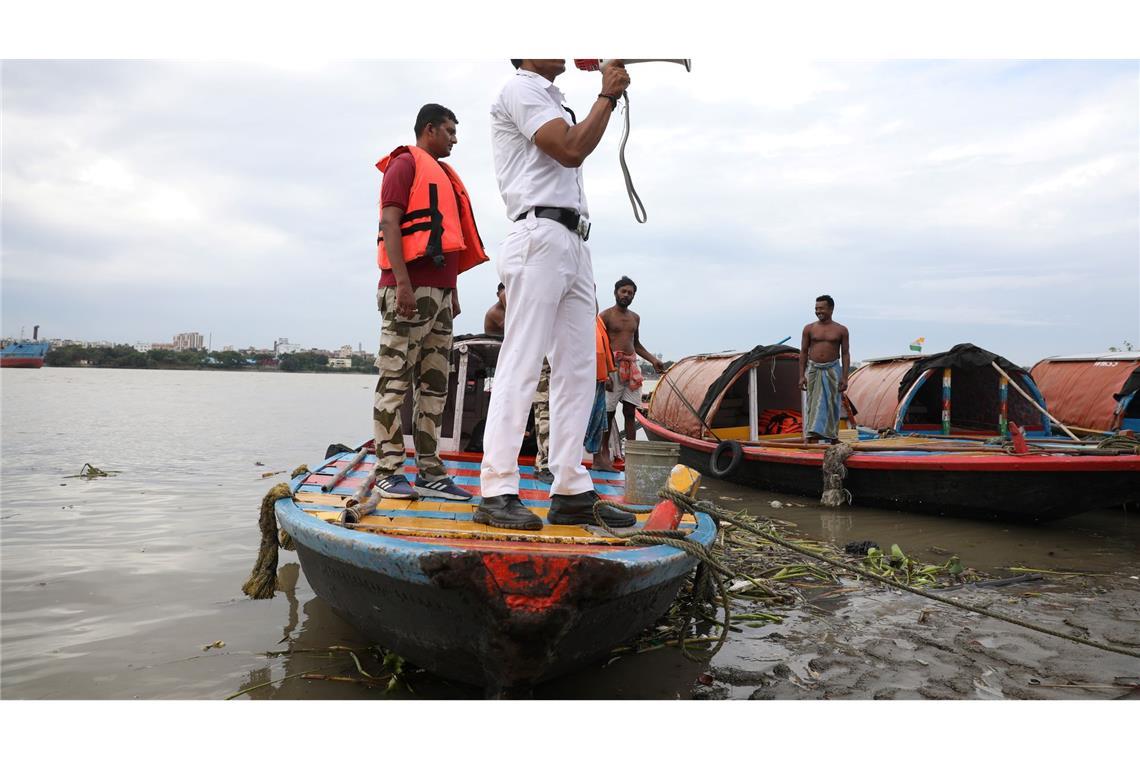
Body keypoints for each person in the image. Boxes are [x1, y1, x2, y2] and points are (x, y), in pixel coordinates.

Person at [477, 59, 636, 530]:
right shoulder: (520, 88)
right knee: (522, 360)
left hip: (572, 240)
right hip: (539, 234)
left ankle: (570, 487)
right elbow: (569, 149)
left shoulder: (551, 97)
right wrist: (606, 94)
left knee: (578, 368)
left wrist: (602, 92)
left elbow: (571, 145)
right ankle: (497, 488)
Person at [372, 103, 488, 500]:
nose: (455, 139)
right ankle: (388, 469)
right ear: (429, 129)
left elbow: (448, 240)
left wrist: (451, 290)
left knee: (435, 385)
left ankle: (430, 470)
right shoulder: (404, 165)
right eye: (450, 131)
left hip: (439, 294)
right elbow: (390, 222)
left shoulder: (444, 175)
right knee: (395, 380)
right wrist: (402, 284)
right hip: (408, 289)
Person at [484, 282, 553, 484]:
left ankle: (544, 460)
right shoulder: (497, 311)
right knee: (537, 411)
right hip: (517, 368)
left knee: (544, 412)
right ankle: (539, 462)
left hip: (533, 364)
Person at [600, 275, 666, 451]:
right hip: (612, 366)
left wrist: (653, 360)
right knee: (608, 412)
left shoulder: (635, 318)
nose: (626, 295)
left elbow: (636, 344)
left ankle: (631, 451)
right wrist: (604, 373)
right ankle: (605, 451)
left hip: (631, 367)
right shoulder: (605, 316)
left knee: (630, 412)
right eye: (624, 291)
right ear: (616, 293)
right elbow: (599, 346)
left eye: (630, 293)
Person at [798, 294, 851, 443]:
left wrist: (845, 377)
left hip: (833, 369)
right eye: (816, 308)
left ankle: (833, 438)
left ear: (831, 309)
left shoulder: (841, 330)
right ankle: (812, 437)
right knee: (813, 404)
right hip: (814, 368)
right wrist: (801, 376)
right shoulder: (809, 328)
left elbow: (845, 354)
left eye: (821, 308)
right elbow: (803, 352)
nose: (818, 311)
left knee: (832, 403)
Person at [586, 314, 618, 469]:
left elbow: (602, 348)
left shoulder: (597, 319)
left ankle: (598, 459)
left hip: (598, 376)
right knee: (579, 418)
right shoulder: (578, 313)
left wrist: (606, 375)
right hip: (581, 375)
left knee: (598, 419)